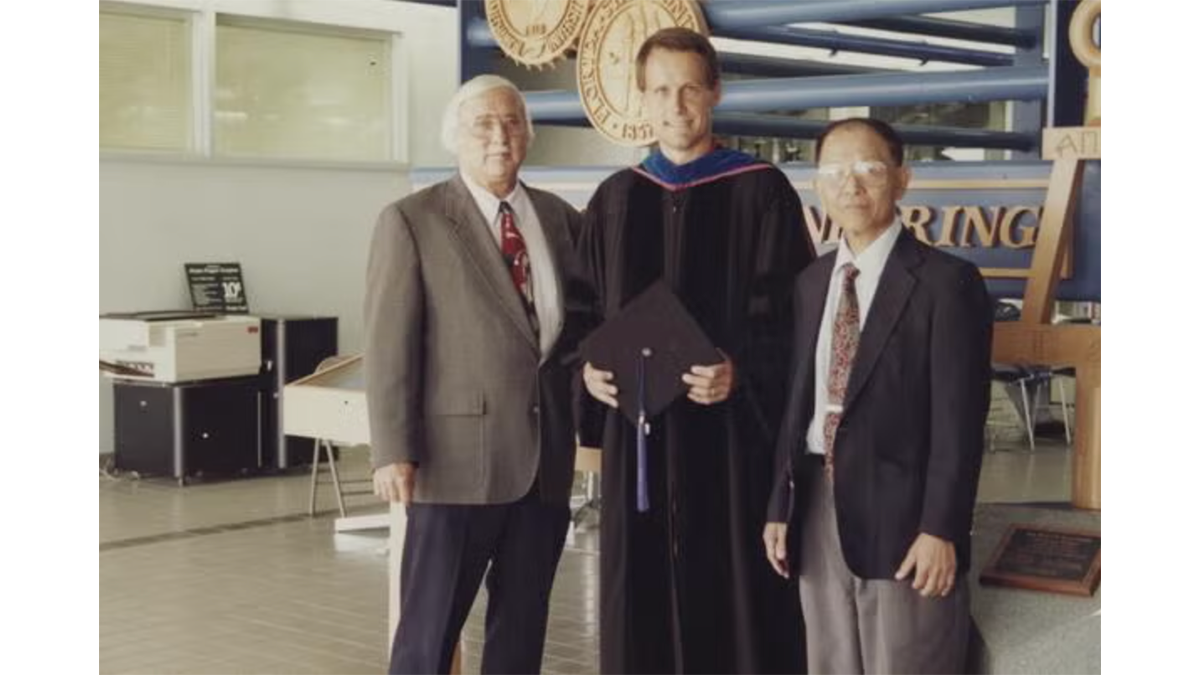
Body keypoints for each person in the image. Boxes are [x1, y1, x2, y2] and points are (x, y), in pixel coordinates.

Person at [578, 27, 815, 674]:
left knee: (735, 590)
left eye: (688, 88)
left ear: (715, 92)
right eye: (660, 90)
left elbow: (796, 321)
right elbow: (583, 318)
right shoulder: (616, 199)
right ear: (643, 101)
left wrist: (743, 372)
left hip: (733, 445)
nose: (675, 104)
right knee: (639, 594)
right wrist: (590, 374)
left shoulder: (761, 192)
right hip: (641, 445)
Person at [364, 74, 586, 675]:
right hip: (452, 467)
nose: (500, 136)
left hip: (542, 466)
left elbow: (579, 331)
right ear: (454, 138)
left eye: (512, 122)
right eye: (483, 124)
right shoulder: (414, 220)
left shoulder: (559, 218)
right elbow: (389, 343)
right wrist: (392, 450)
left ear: (529, 136)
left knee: (521, 630)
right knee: (428, 634)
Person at [763, 118, 994, 674]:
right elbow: (799, 402)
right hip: (817, 502)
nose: (852, 184)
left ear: (902, 179)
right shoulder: (812, 282)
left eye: (869, 168)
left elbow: (959, 420)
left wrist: (943, 528)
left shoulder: (947, 283)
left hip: (907, 515)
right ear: (817, 185)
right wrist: (780, 504)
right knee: (830, 660)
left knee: (907, 660)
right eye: (836, 171)